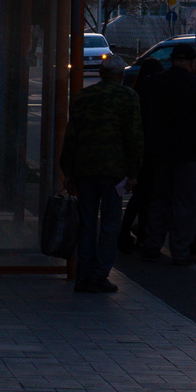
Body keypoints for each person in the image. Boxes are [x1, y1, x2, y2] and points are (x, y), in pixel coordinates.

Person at [59, 54, 142, 293]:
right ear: (121, 75)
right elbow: (134, 136)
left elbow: (72, 134)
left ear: (100, 74)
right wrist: (134, 171)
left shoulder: (84, 96)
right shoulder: (128, 97)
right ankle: (100, 274)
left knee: (87, 223)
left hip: (84, 168)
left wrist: (68, 170)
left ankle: (83, 274)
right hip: (113, 170)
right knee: (109, 223)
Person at [138, 43, 196, 267]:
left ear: (172, 60)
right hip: (190, 155)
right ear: (192, 63)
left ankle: (152, 245)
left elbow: (141, 117)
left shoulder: (153, 84)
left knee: (160, 199)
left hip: (158, 153)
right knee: (186, 203)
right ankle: (180, 252)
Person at [118, 57, 164, 253]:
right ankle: (138, 233)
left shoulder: (136, 92)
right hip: (152, 152)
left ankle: (128, 231)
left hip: (136, 152)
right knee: (147, 197)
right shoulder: (157, 94)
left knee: (139, 196)